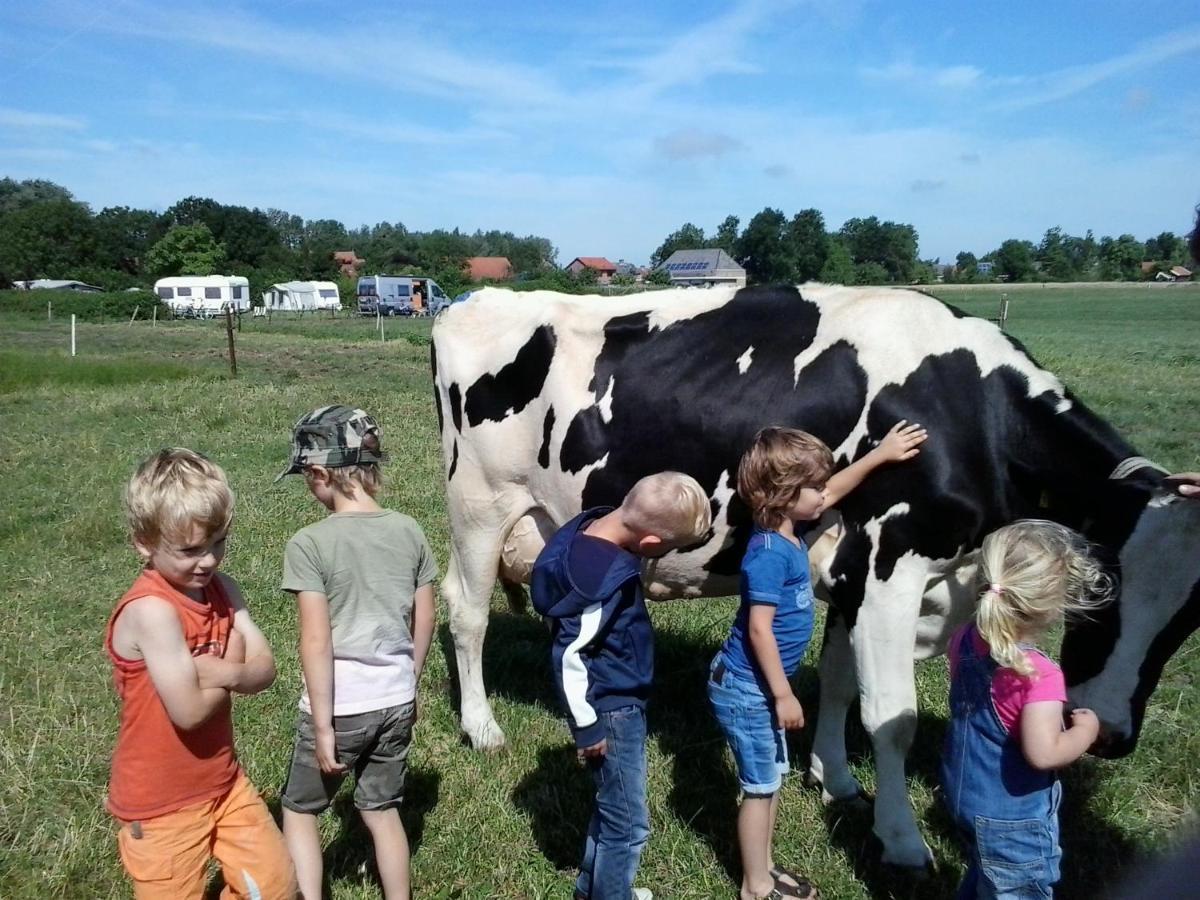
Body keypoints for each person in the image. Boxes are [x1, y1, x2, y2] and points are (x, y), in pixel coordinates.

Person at [709, 421, 928, 900]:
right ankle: (755, 887)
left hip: (759, 687)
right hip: (749, 688)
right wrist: (784, 694)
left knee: (768, 783)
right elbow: (758, 628)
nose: (824, 495)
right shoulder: (768, 554)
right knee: (759, 787)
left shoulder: (788, 528)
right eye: (812, 487)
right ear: (784, 496)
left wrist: (882, 454)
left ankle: (764, 869)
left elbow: (831, 492)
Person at [105, 448, 296, 899]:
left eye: (218, 543)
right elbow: (189, 712)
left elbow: (266, 668)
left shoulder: (224, 589)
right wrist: (235, 670)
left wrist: (213, 669)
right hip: (159, 803)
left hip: (224, 781)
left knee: (275, 885)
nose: (208, 561)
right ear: (143, 542)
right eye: (190, 550)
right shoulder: (152, 611)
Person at [275, 405, 437, 900]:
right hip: (394, 698)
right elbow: (424, 616)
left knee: (300, 811)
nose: (309, 487)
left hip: (341, 706)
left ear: (321, 473)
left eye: (307, 477)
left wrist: (323, 726)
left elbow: (316, 641)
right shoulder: (408, 529)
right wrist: (410, 681)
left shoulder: (309, 543)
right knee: (381, 810)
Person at [532, 472, 714, 900]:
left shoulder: (588, 528)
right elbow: (569, 654)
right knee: (629, 825)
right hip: (611, 708)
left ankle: (591, 890)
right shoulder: (601, 580)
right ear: (650, 545)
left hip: (611, 701)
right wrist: (588, 726)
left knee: (611, 807)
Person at [940, 519, 1113, 899]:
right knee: (1015, 887)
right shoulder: (1039, 675)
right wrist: (1085, 730)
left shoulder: (964, 640)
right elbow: (1044, 753)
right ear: (1053, 604)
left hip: (963, 797)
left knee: (985, 873)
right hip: (1011, 822)